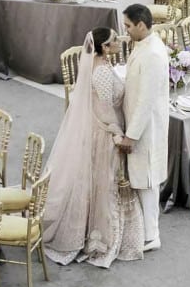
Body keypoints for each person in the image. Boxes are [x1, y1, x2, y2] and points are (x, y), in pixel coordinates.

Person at [40, 27, 137, 267]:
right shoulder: (102, 71)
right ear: (104, 47)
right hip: (104, 133)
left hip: (97, 129)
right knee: (103, 181)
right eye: (114, 40)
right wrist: (117, 131)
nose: (118, 42)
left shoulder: (99, 64)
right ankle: (97, 236)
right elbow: (104, 108)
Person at [119, 4, 171, 252]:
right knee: (142, 178)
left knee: (147, 181)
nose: (125, 31)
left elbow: (146, 100)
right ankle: (147, 230)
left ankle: (151, 235)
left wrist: (131, 135)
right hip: (142, 125)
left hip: (147, 129)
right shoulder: (144, 46)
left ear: (141, 25)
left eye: (128, 26)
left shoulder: (153, 54)